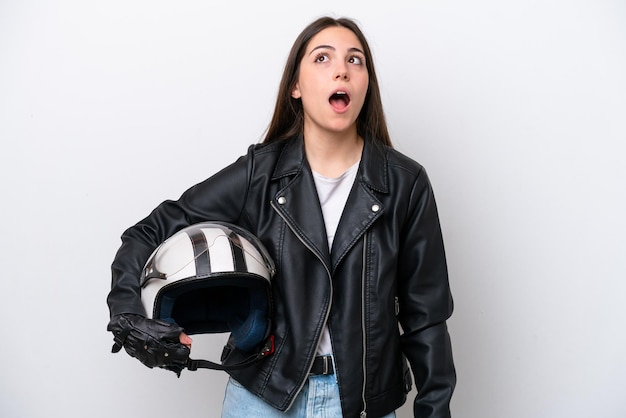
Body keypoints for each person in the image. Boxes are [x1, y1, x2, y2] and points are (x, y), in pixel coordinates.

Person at [107, 16, 456, 418]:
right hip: (262, 399)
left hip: (361, 405)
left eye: (355, 60)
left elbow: (427, 319)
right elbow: (148, 232)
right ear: (296, 86)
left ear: (365, 86)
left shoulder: (405, 184)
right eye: (322, 58)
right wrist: (128, 312)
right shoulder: (260, 173)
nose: (341, 69)